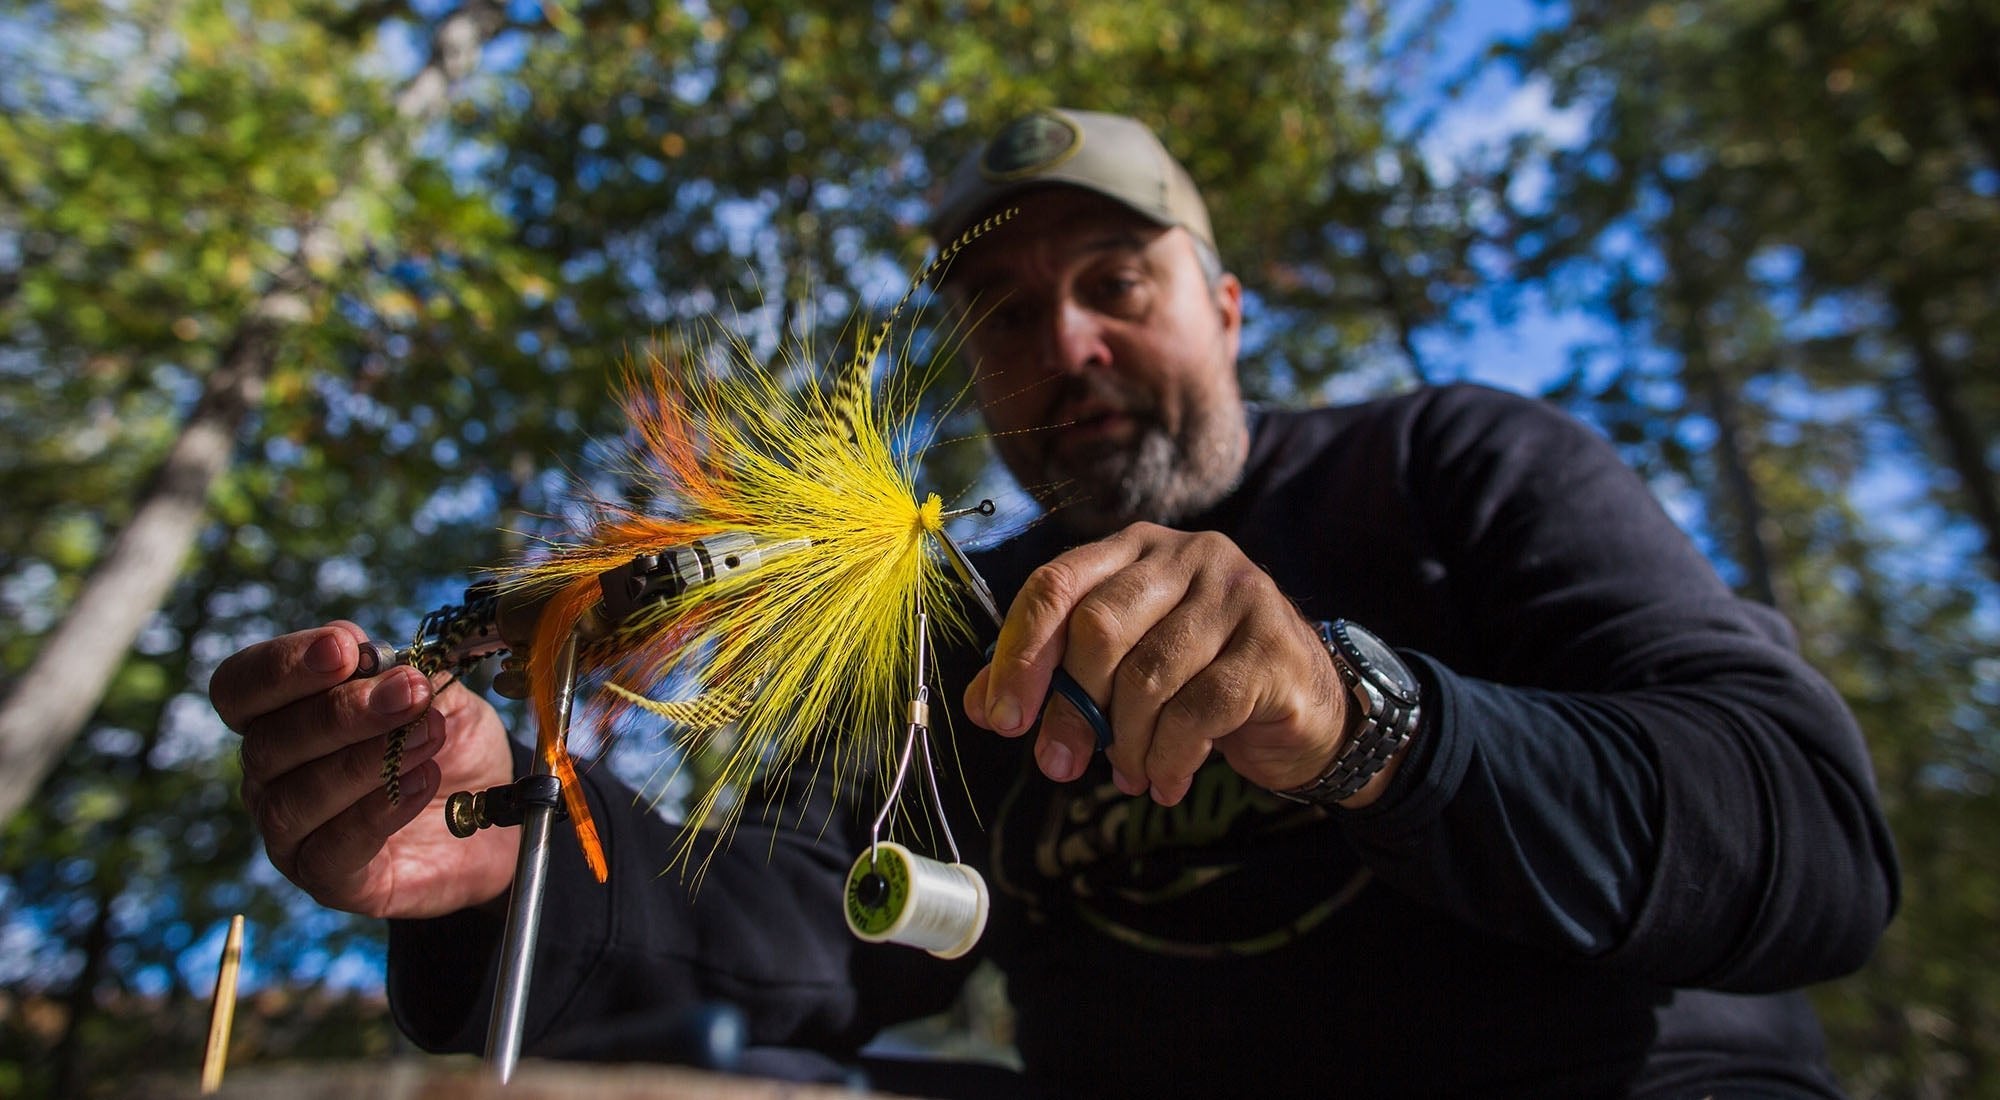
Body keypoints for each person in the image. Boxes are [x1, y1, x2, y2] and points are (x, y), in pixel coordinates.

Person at [211, 107, 1898, 1097]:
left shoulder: (1460, 463)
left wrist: (1366, 718)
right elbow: (800, 925)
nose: (1067, 347)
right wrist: (506, 868)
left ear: (1227, 308)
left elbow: (1806, 838)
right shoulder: (949, 636)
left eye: (1116, 284)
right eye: (1006, 315)